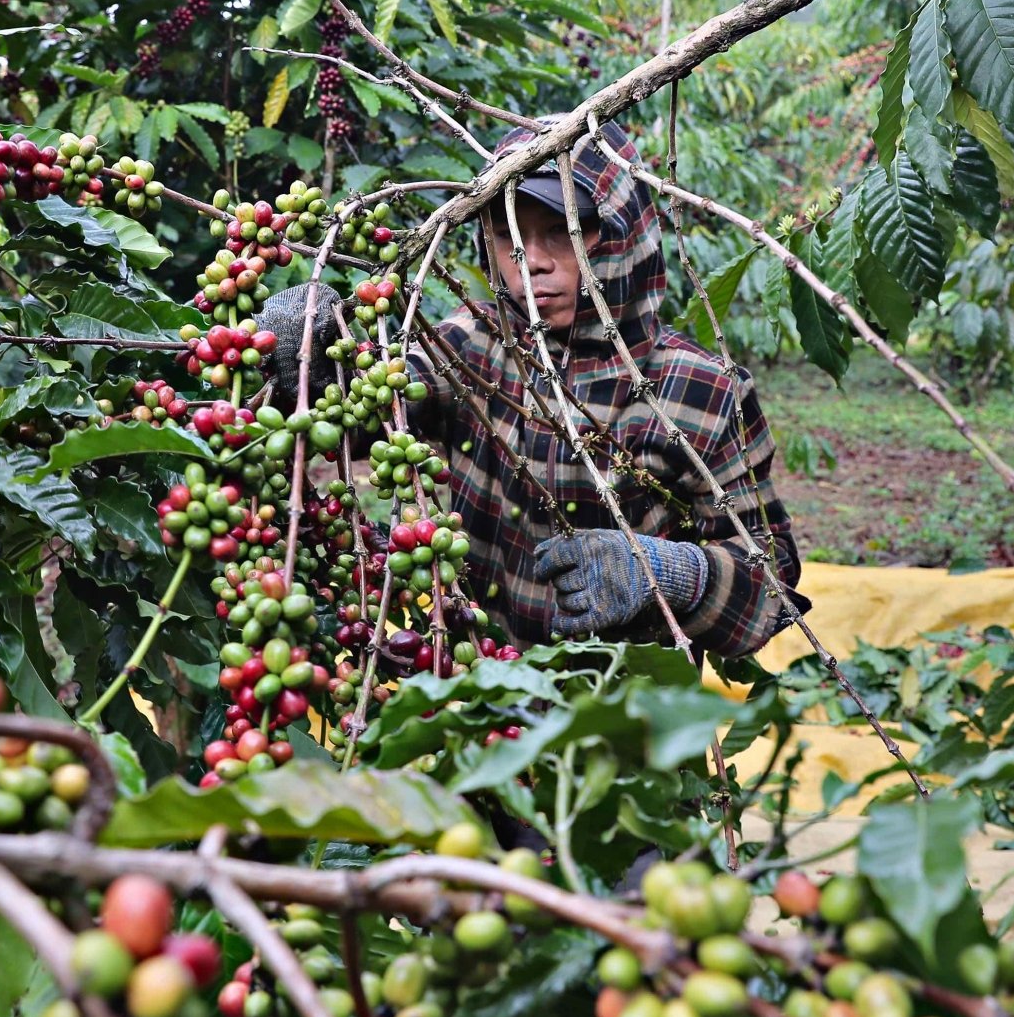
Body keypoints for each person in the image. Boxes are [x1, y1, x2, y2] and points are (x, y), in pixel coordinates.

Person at [258, 119, 805, 661]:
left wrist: (669, 573)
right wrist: (310, 353)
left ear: (623, 235)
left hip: (635, 718)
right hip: (487, 697)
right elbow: (366, 407)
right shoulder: (471, 348)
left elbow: (772, 574)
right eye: (508, 235)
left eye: (565, 230)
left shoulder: (702, 390)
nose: (532, 260)